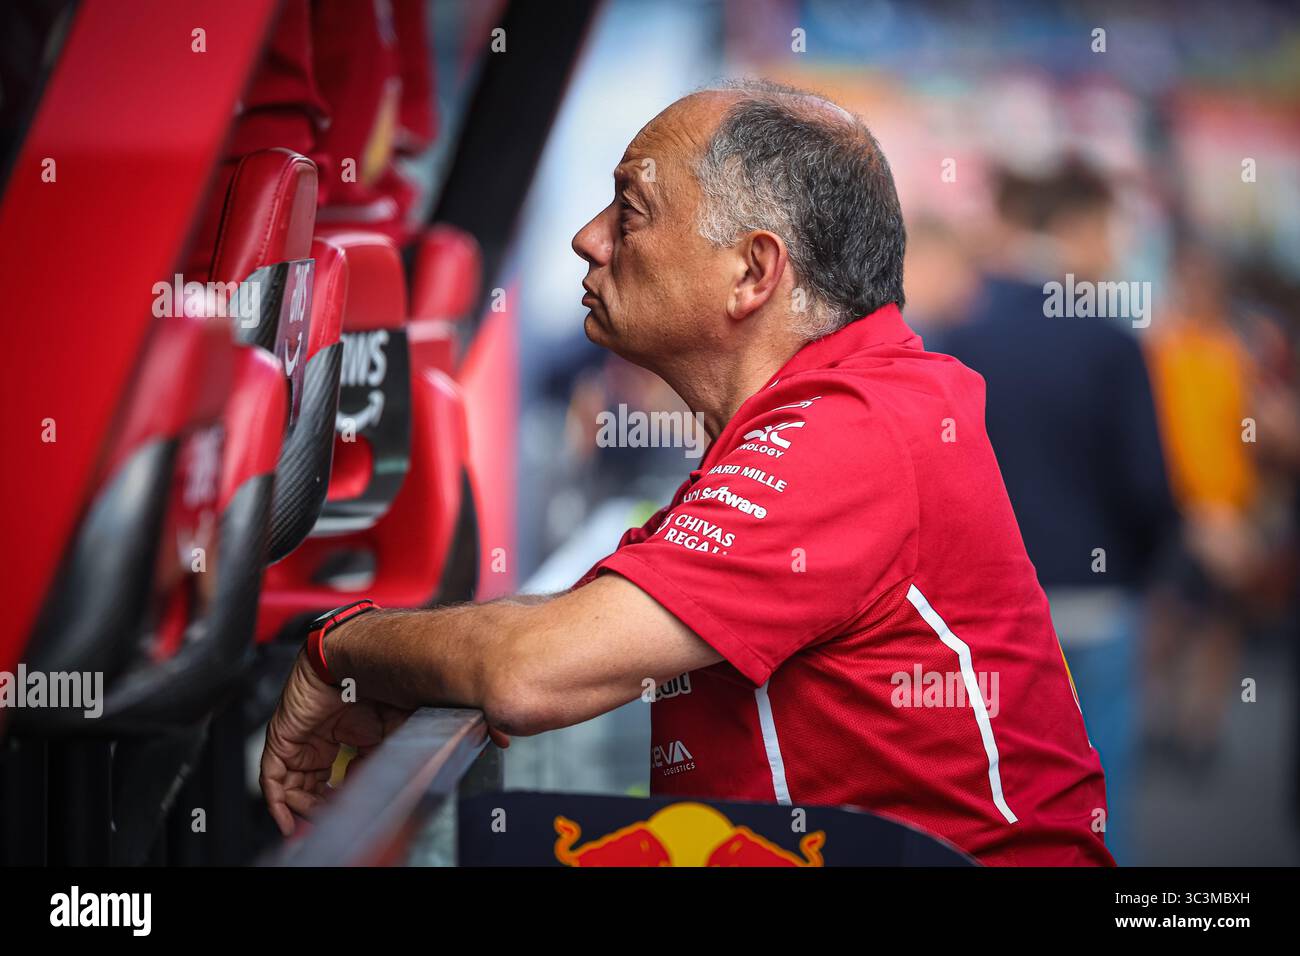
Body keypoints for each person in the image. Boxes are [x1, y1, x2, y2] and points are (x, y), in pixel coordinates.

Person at [260, 80, 1113, 866]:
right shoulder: (847, 408)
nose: (588, 239)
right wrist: (411, 672)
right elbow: (576, 628)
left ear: (753, 272)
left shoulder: (850, 431)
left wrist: (340, 646)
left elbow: (534, 667)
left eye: (630, 211)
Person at [934, 161, 1178, 863]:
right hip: (1099, 607)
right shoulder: (1113, 344)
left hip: (988, 616)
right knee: (1097, 799)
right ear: (1074, 228)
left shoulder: (961, 338)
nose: (1115, 249)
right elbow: (1147, 486)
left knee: (996, 796)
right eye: (1110, 231)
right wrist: (1145, 574)